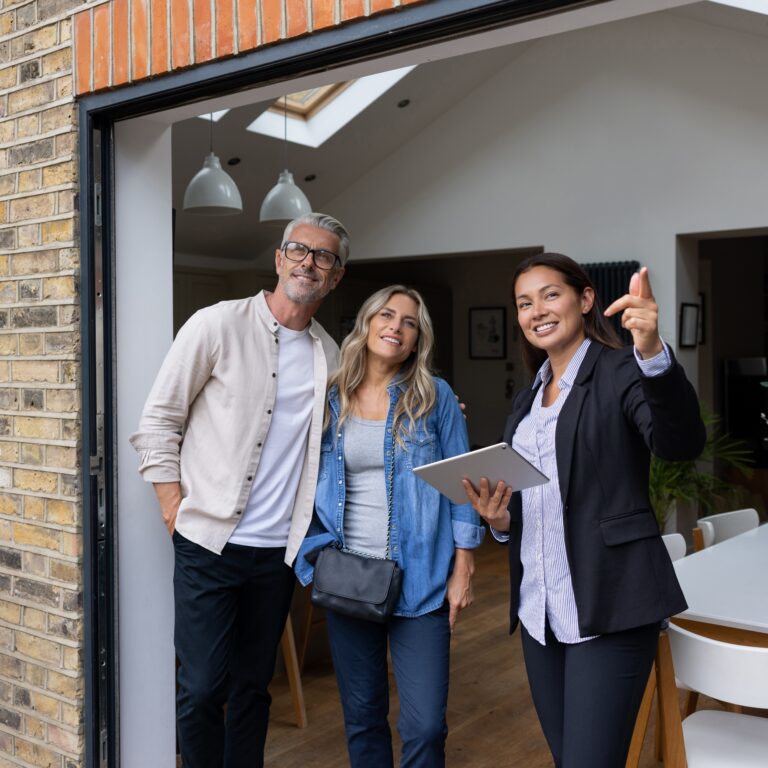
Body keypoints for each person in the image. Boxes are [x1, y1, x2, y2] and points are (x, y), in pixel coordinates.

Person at [462, 253, 705, 768]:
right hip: (539, 612)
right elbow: (541, 503)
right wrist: (501, 521)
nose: (537, 311)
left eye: (550, 294)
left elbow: (680, 443)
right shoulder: (527, 398)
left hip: (609, 605)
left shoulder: (622, 368)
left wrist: (653, 353)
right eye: (524, 303)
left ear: (585, 299)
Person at [129, 213, 349, 768]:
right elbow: (158, 423)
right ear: (279, 259)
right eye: (299, 250)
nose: (308, 263)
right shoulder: (217, 325)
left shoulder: (333, 356)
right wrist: (172, 508)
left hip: (278, 552)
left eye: (324, 257)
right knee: (202, 686)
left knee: (253, 687)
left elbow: (363, 425)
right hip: (208, 543)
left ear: (336, 276)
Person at [296, 285, 485, 768]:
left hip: (421, 580)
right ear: (366, 323)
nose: (395, 327)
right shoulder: (328, 396)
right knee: (362, 717)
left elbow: (462, 484)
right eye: (387, 315)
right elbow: (295, 474)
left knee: (425, 726)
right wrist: (312, 557)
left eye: (409, 322)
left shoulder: (435, 398)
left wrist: (464, 565)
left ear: (418, 340)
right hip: (349, 577)